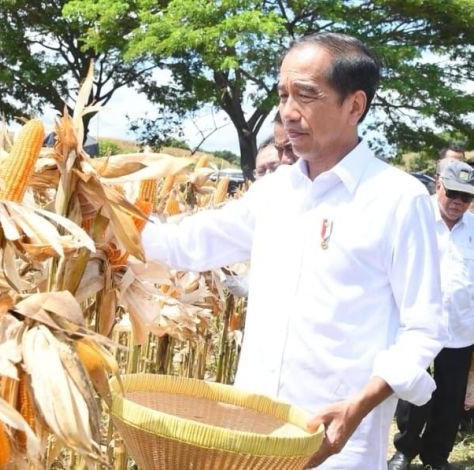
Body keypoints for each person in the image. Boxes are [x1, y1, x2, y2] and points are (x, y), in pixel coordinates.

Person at [141, 32, 444, 469]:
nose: (288, 112)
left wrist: (356, 408)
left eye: (305, 95)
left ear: (354, 106)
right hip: (254, 431)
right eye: (283, 95)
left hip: (335, 440)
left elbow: (422, 328)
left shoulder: (397, 199)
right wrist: (105, 216)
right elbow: (189, 243)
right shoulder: (277, 190)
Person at [388, 159, 474, 470]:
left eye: (466, 197)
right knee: (413, 390)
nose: (458, 203)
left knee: (450, 397)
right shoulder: (417, 216)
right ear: (438, 184)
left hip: (461, 328)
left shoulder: (473, 228)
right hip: (418, 325)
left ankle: (437, 454)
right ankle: (405, 449)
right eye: (452, 193)